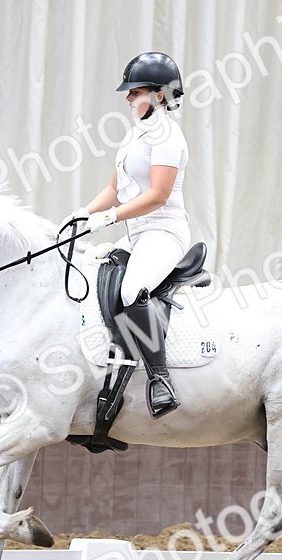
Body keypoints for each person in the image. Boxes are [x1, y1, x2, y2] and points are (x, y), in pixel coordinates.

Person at [67, 51, 190, 418]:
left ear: (159, 95)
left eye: (134, 91)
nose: (128, 98)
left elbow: (158, 195)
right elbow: (114, 187)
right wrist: (82, 213)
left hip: (164, 232)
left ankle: (160, 378)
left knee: (130, 290)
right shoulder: (137, 136)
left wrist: (108, 219)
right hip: (136, 234)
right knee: (95, 273)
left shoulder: (168, 137)